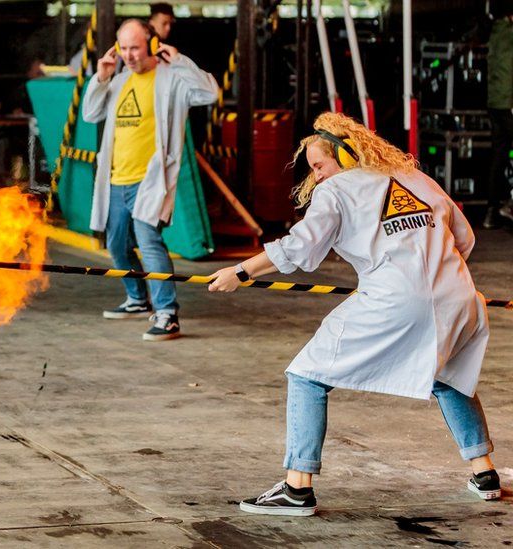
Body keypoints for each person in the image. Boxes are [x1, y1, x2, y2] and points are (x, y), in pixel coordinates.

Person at [208, 112, 500, 516]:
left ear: (345, 155)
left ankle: (296, 489)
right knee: (447, 373)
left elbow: (300, 248)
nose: (318, 177)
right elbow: (464, 239)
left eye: (319, 166)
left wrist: (240, 272)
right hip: (460, 296)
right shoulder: (417, 180)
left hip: (396, 300)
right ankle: (485, 472)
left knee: (306, 374)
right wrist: (433, 276)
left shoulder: (339, 190)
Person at [82, 19, 217, 341]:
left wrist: (180, 60)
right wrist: (101, 77)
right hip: (116, 179)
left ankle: (167, 313)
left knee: (149, 242)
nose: (129, 55)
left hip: (150, 180)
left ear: (152, 45)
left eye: (135, 48)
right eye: (123, 48)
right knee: (116, 244)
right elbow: (90, 114)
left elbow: (209, 92)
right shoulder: (119, 80)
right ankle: (137, 298)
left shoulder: (171, 79)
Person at [485, 1, 513, 229]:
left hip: (495, 103)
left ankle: (492, 211)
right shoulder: (509, 34)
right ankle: (508, 205)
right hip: (508, 103)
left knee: (500, 154)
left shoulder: (495, 34)